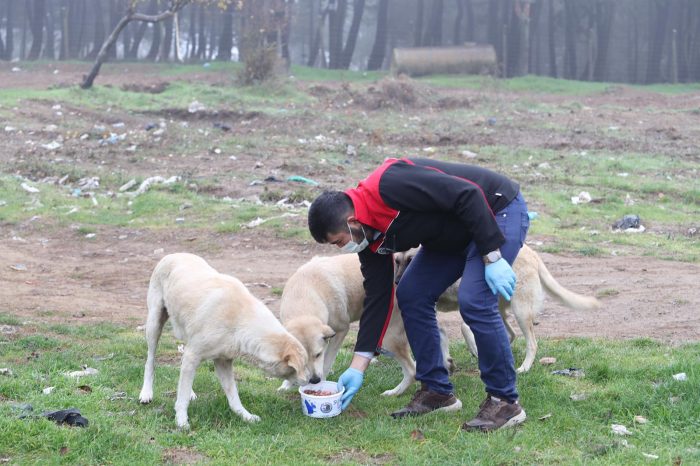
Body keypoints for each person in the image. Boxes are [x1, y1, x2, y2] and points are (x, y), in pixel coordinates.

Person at [307, 157, 529, 432]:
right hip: (453, 231)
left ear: (351, 221)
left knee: (474, 299)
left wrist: (492, 256)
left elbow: (468, 194)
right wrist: (357, 366)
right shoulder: (368, 235)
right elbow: (378, 297)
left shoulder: (389, 184)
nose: (342, 248)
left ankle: (505, 402)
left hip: (496, 209)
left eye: (339, 241)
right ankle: (437, 391)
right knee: (411, 292)